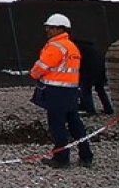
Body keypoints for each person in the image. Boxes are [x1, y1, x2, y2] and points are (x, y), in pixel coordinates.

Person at [29, 14, 93, 168]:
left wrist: (34, 74)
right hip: (71, 91)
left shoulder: (55, 46)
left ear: (61, 29)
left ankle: (61, 159)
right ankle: (86, 156)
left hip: (56, 92)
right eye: (47, 27)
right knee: (75, 124)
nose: (48, 30)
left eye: (51, 28)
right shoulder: (72, 47)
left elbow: (41, 67)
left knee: (57, 125)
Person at [73, 36, 114, 115]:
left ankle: (90, 110)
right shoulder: (90, 47)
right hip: (100, 68)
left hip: (89, 70)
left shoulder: (76, 48)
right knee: (100, 89)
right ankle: (108, 109)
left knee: (85, 89)